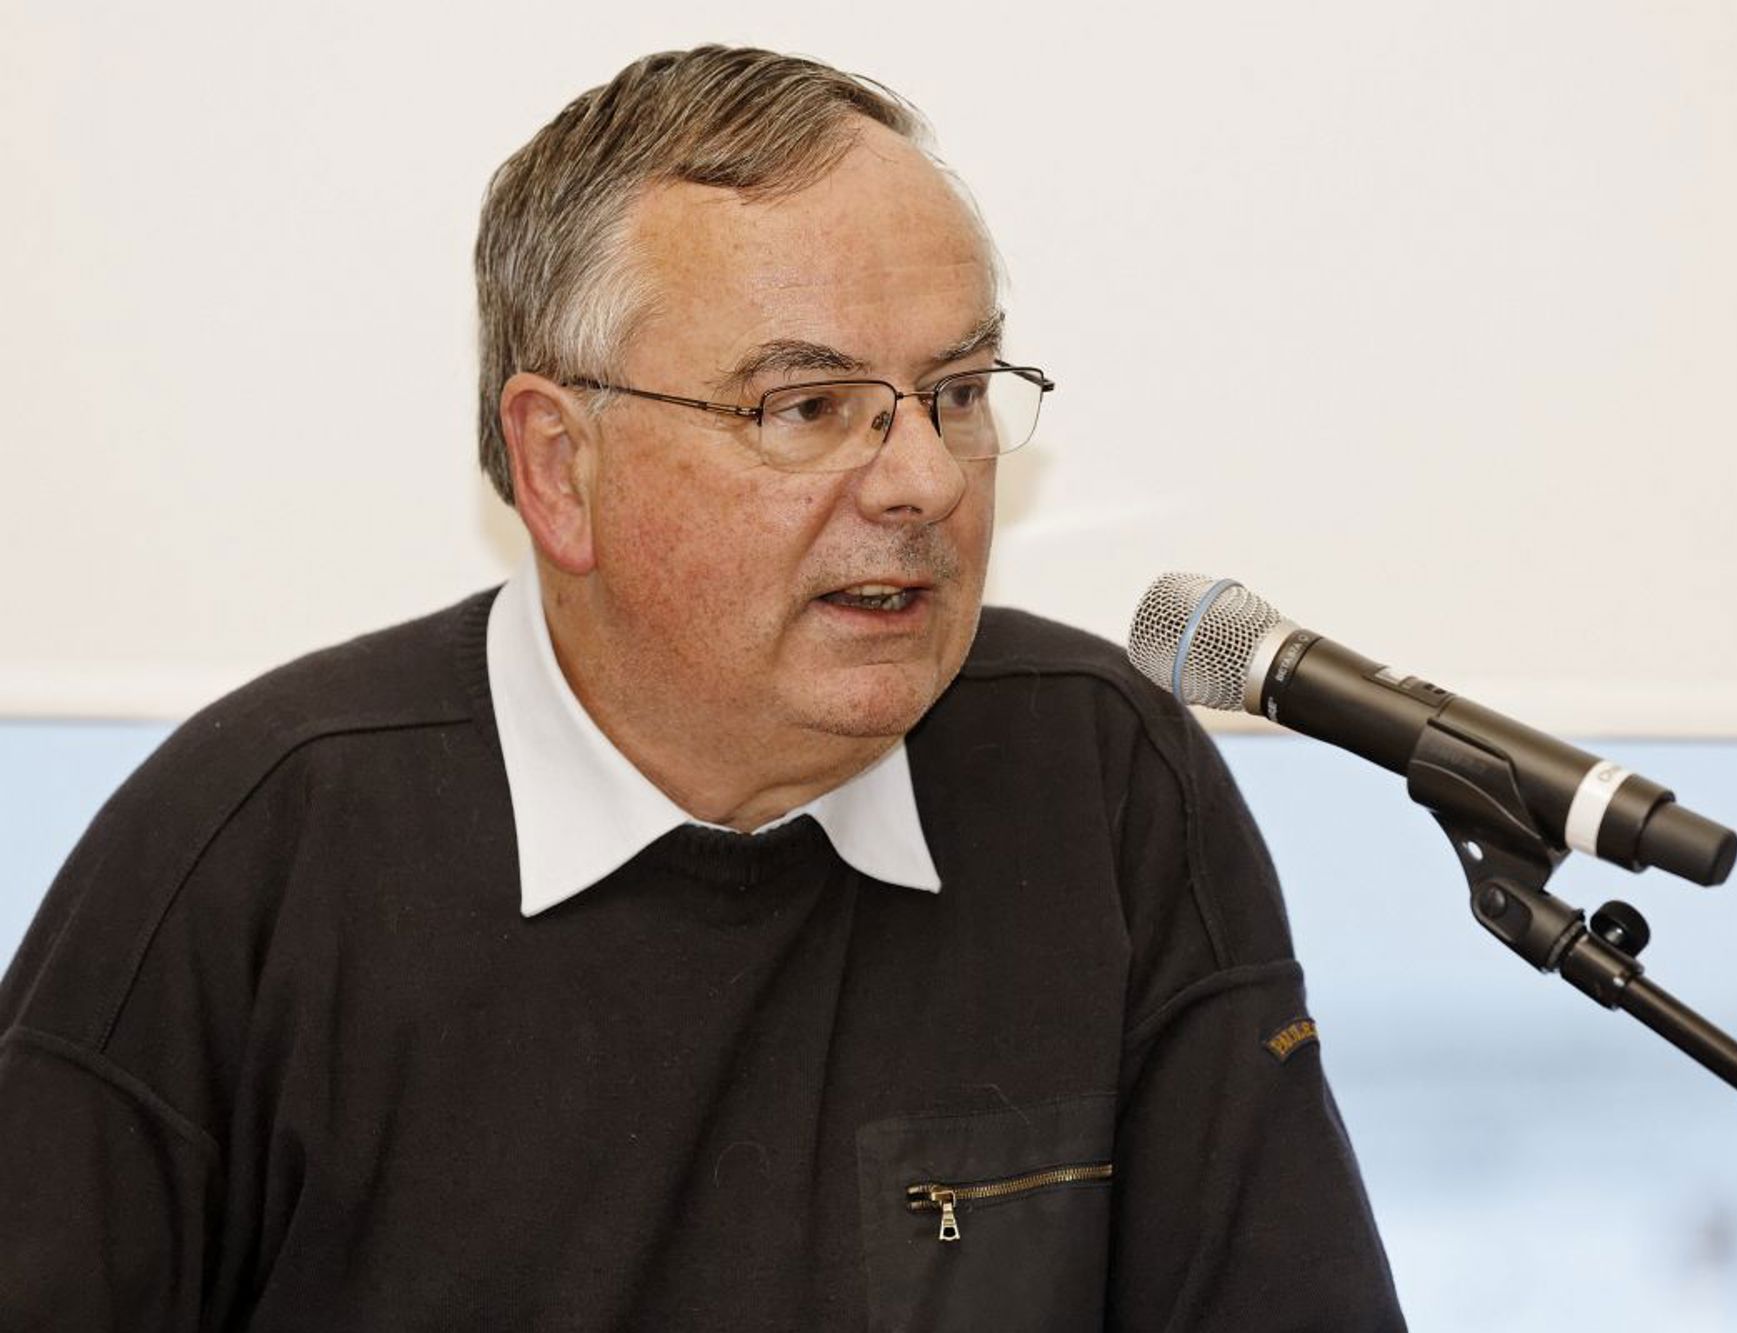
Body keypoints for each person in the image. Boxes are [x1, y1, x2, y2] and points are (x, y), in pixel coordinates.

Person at [0, 45, 1404, 1330]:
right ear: (561, 468)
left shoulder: (1095, 778)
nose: (923, 479)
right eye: (808, 407)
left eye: (960, 391)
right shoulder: (251, 850)